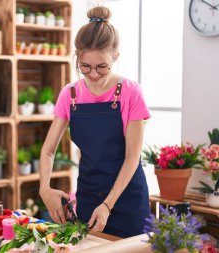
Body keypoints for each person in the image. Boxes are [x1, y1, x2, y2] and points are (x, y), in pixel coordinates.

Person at [39, 6, 150, 238]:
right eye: (85, 67)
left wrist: (108, 205)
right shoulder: (69, 95)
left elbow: (132, 157)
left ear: (115, 57)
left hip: (127, 197)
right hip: (89, 196)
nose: (94, 74)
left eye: (102, 66)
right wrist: (44, 189)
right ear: (77, 58)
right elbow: (48, 151)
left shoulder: (131, 92)